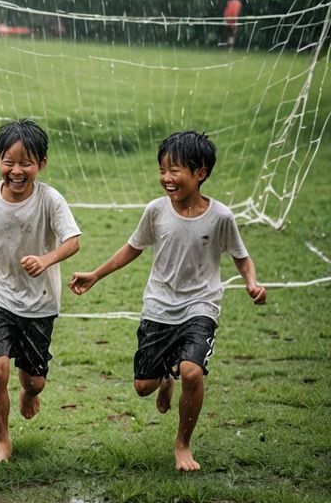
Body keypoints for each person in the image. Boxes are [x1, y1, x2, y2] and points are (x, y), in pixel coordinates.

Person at [68, 130, 265, 472]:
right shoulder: (156, 211)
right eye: (163, 170)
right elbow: (132, 248)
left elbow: (241, 256)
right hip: (159, 305)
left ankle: (183, 445)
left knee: (192, 372)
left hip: (201, 306)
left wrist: (251, 281)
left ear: (200, 172)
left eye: (175, 171)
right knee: (143, 387)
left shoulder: (221, 217)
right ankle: (163, 379)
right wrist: (95, 274)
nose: (167, 179)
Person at [0, 118, 81, 464]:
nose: (17, 171)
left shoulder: (50, 200)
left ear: (41, 164)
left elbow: (73, 241)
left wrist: (46, 259)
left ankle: (28, 391)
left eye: (27, 163)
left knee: (35, 381)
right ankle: (3, 442)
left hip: (39, 300)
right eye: (9, 162)